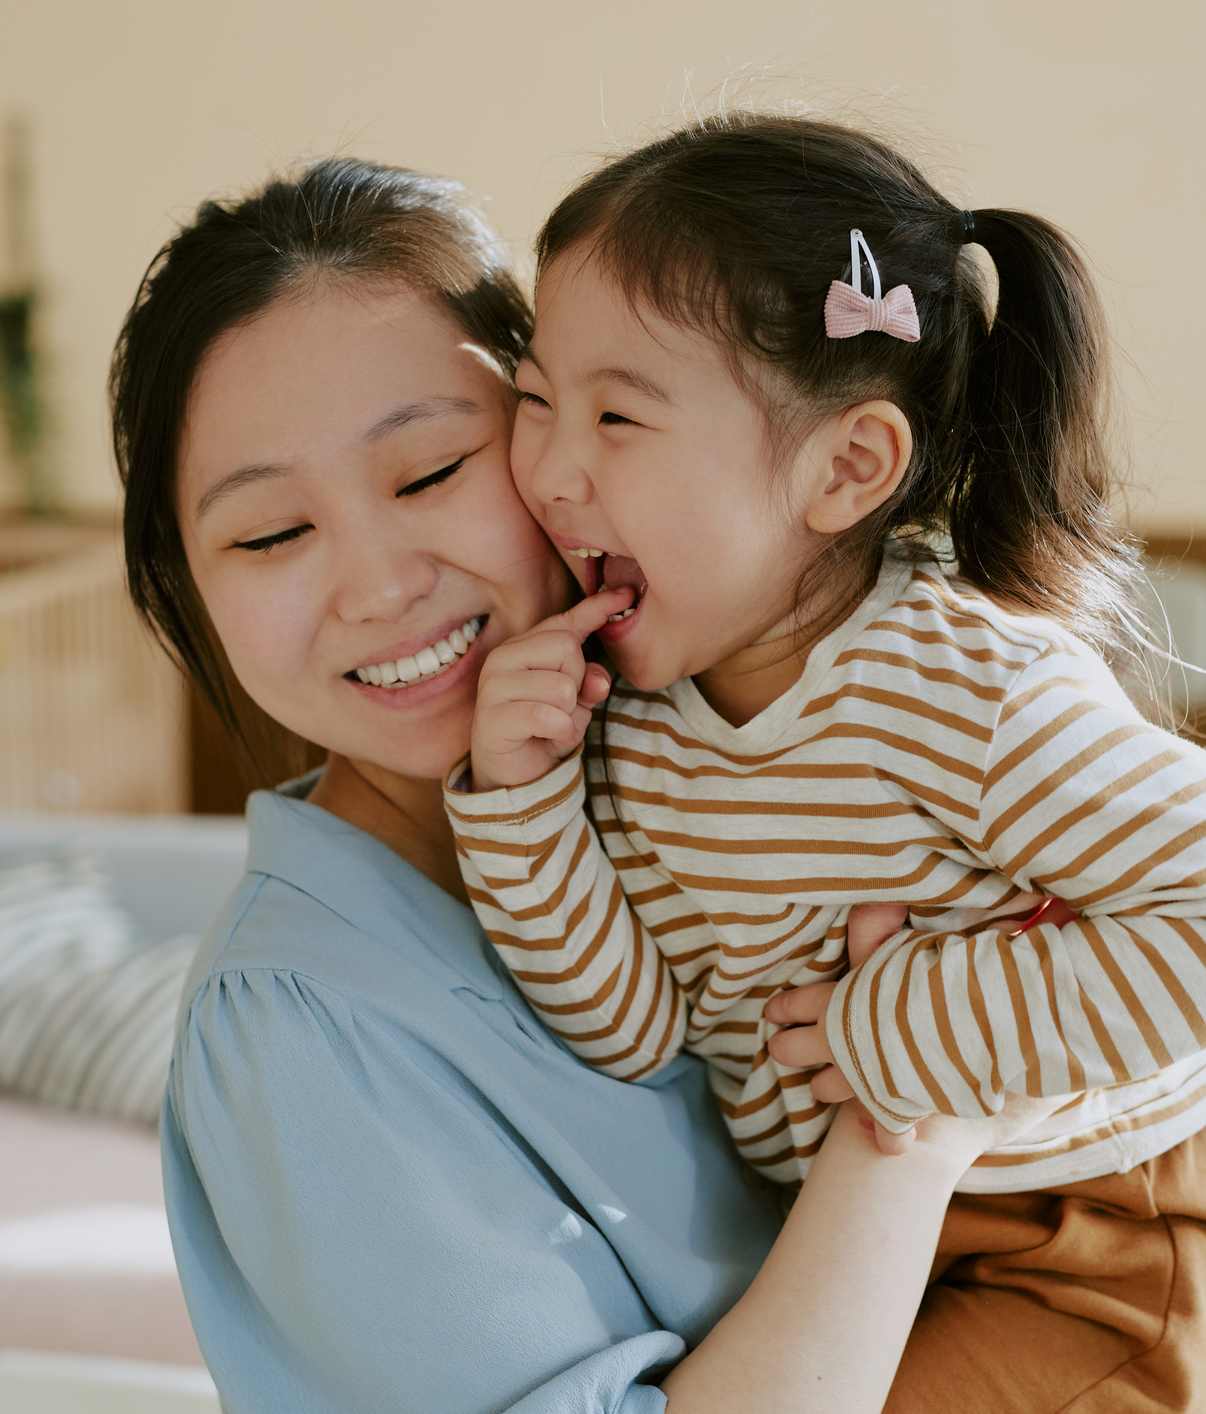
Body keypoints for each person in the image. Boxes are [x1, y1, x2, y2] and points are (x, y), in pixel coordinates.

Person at [112, 156, 1061, 1414]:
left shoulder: (715, 744)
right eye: (271, 533)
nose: (381, 587)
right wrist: (907, 1134)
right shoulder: (299, 1031)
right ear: (188, 590)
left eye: (431, 471)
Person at [447, 114, 1206, 1412]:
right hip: (856, 1236)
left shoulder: (971, 690)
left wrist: (907, 1025)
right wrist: (522, 804)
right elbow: (629, 1027)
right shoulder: (630, 710)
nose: (551, 471)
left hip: (1094, 1238)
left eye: (617, 415)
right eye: (534, 401)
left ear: (847, 467)